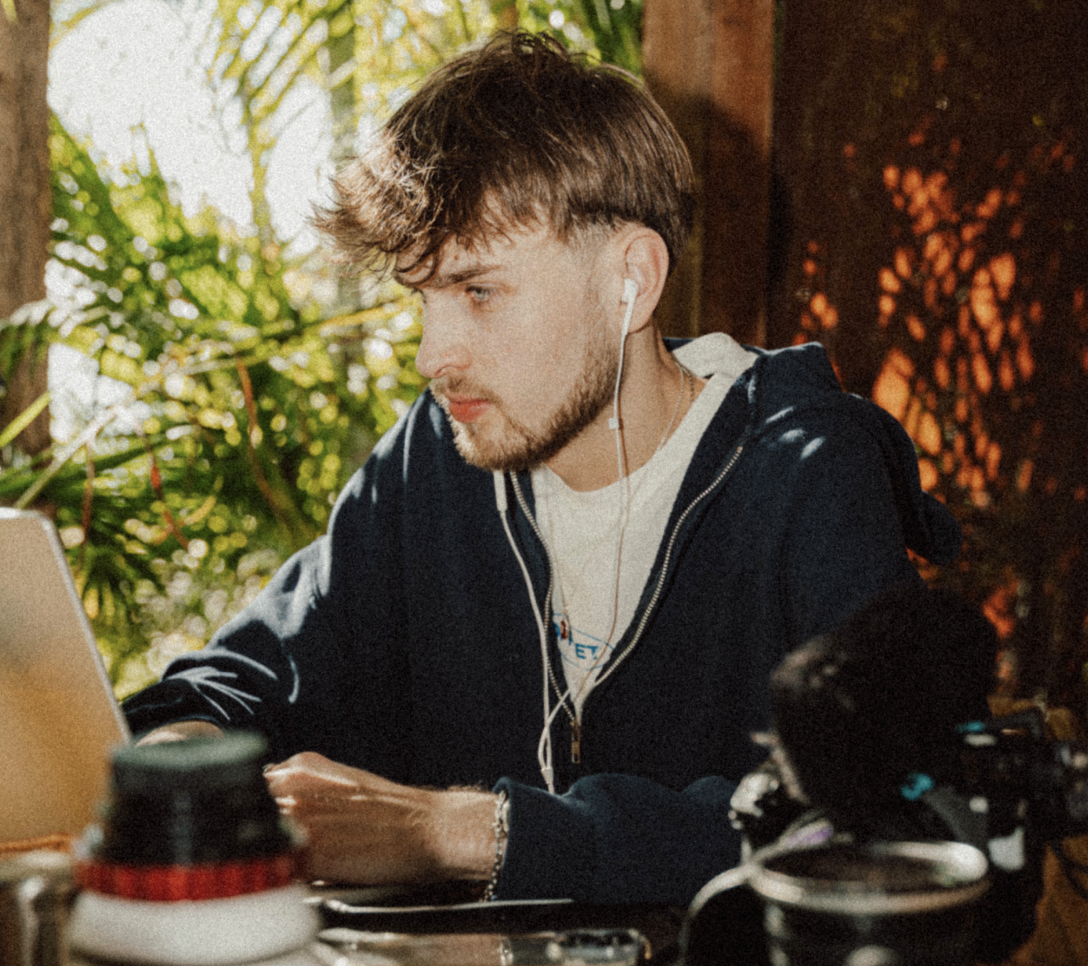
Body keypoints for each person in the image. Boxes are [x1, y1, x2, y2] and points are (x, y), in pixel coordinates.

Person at [123, 31, 961, 904]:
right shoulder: (434, 461)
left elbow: (882, 829)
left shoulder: (809, 474)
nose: (431, 356)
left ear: (630, 280)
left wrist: (465, 833)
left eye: (479, 292)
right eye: (425, 299)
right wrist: (182, 751)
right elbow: (247, 677)